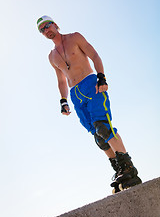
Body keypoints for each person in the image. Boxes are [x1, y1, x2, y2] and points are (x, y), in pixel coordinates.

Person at [37, 15, 142, 193]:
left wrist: (101, 77)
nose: (46, 30)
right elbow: (61, 81)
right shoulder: (51, 56)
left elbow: (94, 55)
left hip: (90, 83)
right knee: (98, 136)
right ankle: (118, 171)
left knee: (103, 126)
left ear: (55, 25)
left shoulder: (74, 37)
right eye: (42, 30)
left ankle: (129, 168)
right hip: (75, 94)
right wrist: (63, 100)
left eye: (48, 26)